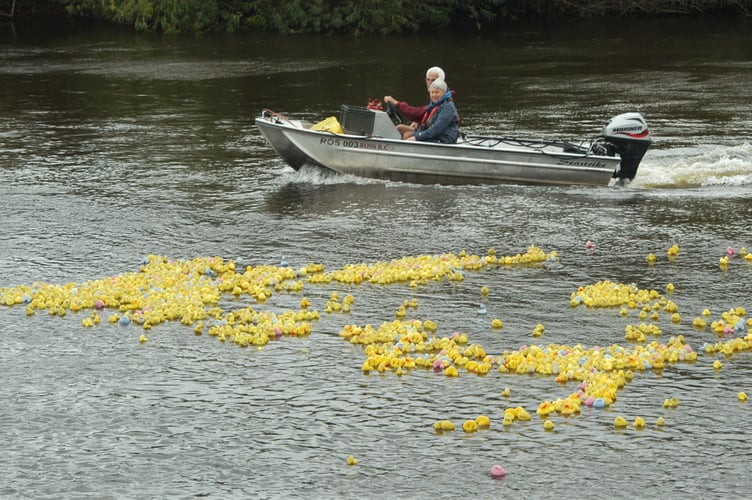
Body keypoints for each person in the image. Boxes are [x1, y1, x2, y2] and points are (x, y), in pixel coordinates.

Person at [384, 66, 445, 139]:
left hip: (436, 135)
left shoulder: (442, 98)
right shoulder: (432, 96)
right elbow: (426, 113)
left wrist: (397, 104)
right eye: (428, 80)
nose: (430, 83)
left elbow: (418, 112)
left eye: (433, 80)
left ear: (441, 82)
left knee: (408, 135)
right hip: (427, 129)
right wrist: (418, 121)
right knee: (399, 128)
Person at [405, 78, 458, 144]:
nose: (434, 95)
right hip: (435, 136)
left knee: (407, 135)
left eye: (437, 92)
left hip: (444, 139)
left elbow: (437, 129)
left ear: (444, 93)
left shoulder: (448, 107)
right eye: (432, 92)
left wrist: (417, 137)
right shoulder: (434, 104)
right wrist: (418, 133)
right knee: (400, 128)